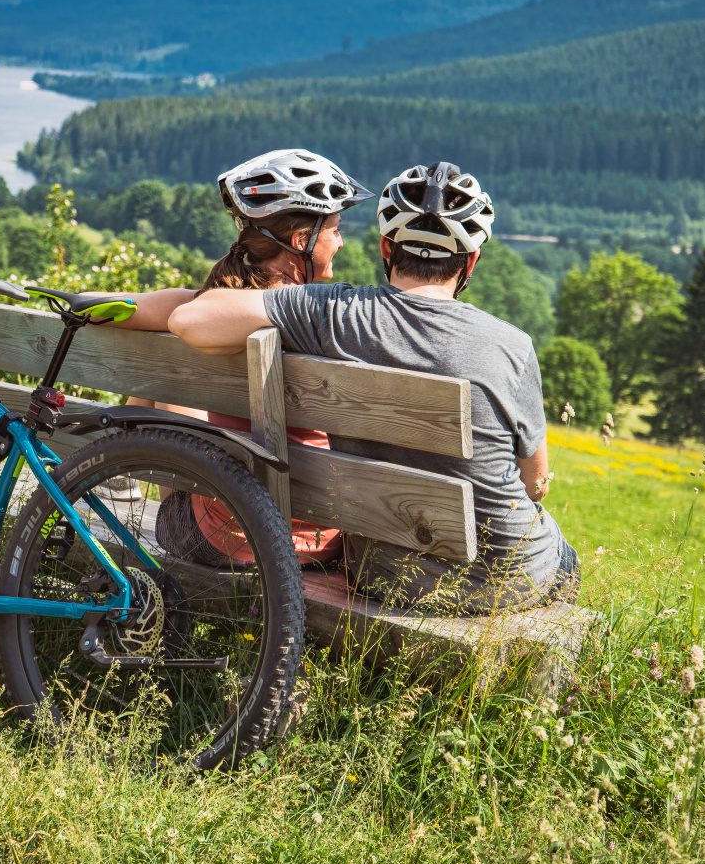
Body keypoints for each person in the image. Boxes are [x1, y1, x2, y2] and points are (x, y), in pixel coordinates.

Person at [167, 161, 579, 613]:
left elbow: (191, 319)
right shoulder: (513, 346)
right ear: (471, 260)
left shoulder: (333, 313)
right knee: (564, 558)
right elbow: (535, 484)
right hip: (512, 578)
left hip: (382, 574)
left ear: (386, 247)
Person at [112, 148, 373, 567]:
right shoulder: (328, 320)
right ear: (301, 241)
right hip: (320, 543)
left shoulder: (220, 309)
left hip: (221, 539)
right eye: (336, 230)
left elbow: (130, 309)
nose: (341, 241)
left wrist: (68, 302)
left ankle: (114, 480)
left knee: (167, 376)